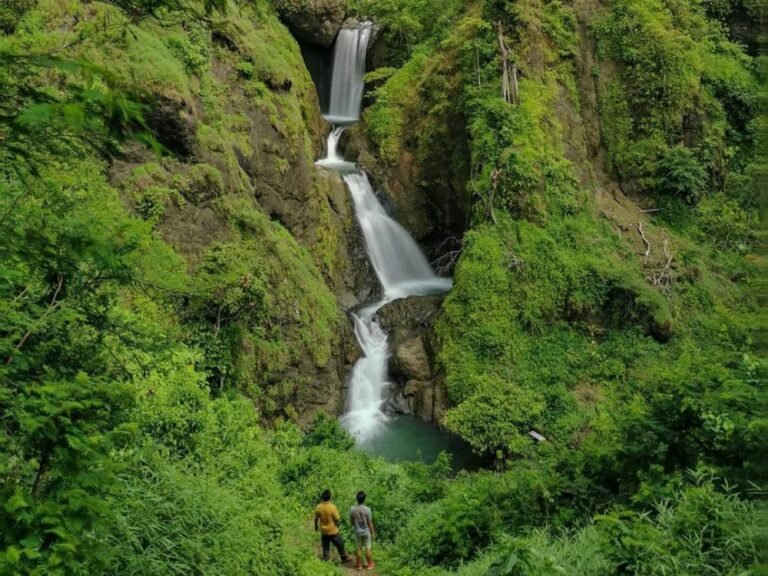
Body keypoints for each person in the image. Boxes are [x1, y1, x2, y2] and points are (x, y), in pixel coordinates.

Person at [314, 489, 351, 563]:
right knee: (340, 543)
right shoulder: (332, 507)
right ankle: (344, 557)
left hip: (323, 531)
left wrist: (316, 527)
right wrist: (338, 526)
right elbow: (337, 519)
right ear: (330, 497)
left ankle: (326, 558)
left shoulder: (318, 507)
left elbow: (316, 518)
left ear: (322, 497)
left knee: (325, 545)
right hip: (333, 530)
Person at [350, 490, 375, 571]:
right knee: (368, 548)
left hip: (357, 531)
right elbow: (370, 523)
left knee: (359, 548)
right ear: (364, 499)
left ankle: (359, 565)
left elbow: (352, 521)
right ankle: (369, 564)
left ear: (357, 498)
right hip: (366, 531)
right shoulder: (367, 509)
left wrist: (355, 525)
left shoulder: (352, 509)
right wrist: (372, 532)